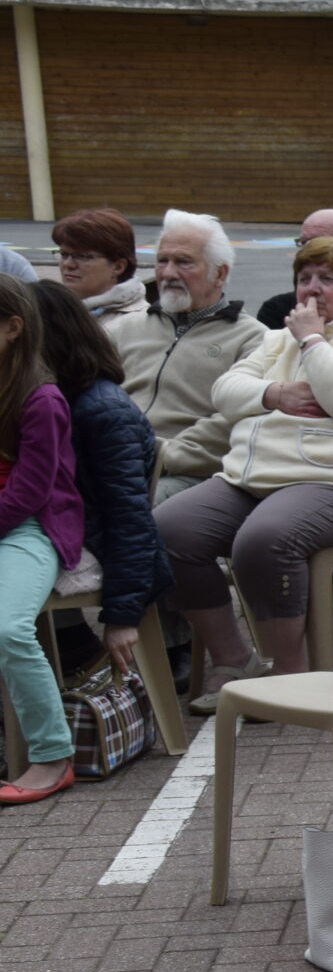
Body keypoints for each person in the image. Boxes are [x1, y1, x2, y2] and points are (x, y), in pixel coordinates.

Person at [155, 238, 333, 705]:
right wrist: (275, 394)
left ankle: (288, 674)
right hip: (254, 480)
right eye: (304, 279)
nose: (312, 289)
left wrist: (314, 341)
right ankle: (234, 659)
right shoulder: (277, 338)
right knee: (167, 529)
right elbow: (225, 391)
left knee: (265, 538)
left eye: (328, 279)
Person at [30, 282, 171, 683]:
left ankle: (73, 647)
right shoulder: (49, 396)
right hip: (67, 534)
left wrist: (123, 615)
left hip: (101, 549)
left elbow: (130, 520)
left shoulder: (103, 410)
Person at [108, 211, 266, 503]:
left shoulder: (254, 339)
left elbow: (236, 418)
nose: (168, 273)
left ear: (220, 274)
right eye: (162, 261)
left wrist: (162, 456)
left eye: (183, 262)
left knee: (129, 508)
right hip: (110, 459)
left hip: (186, 473)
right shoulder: (122, 328)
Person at [0, 279, 83, 803]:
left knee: (8, 629)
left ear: (13, 328)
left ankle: (52, 754)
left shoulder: (41, 399)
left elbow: (29, 493)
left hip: (31, 525)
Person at [49, 208, 148, 332]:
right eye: (64, 254)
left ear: (118, 267)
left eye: (82, 256)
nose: (67, 264)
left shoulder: (139, 324)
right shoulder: (50, 312)